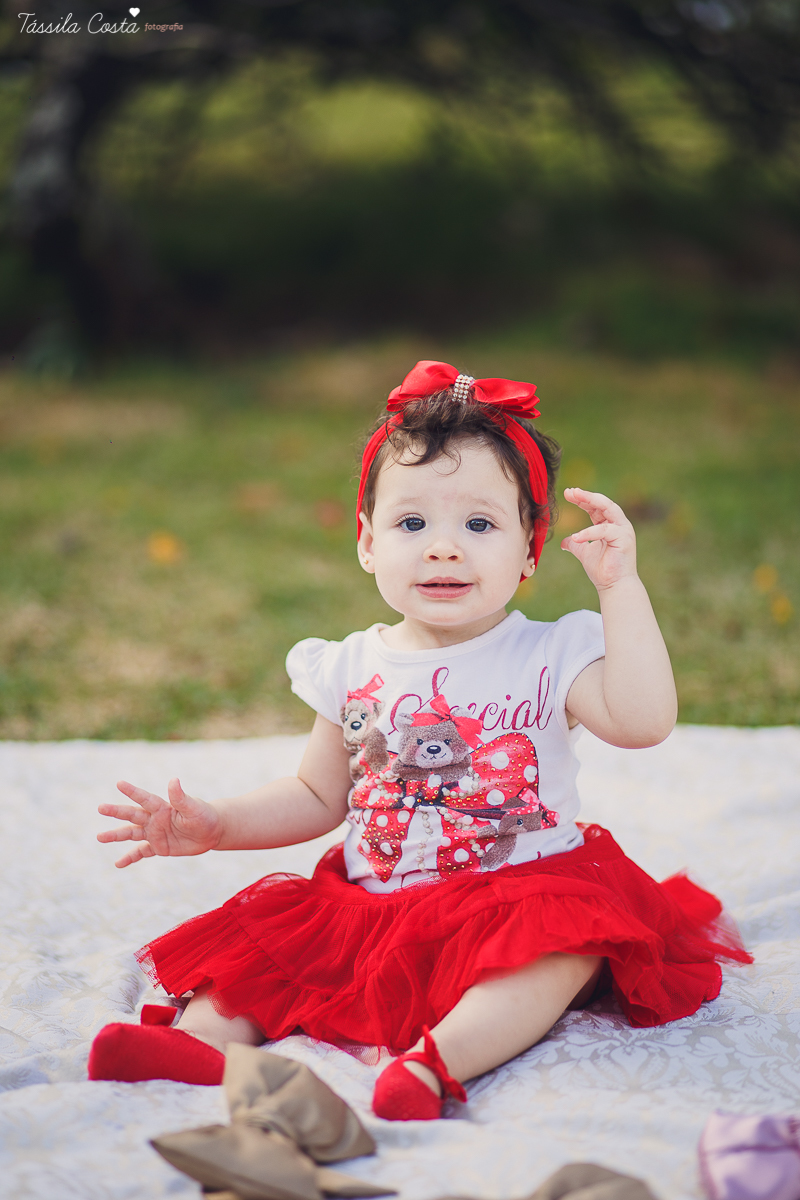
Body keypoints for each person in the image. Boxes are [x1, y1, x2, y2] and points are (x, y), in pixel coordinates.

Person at [88, 360, 750, 1120]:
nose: (444, 548)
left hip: (517, 898)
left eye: (479, 524)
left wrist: (620, 589)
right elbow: (315, 794)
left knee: (564, 948)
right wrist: (221, 824)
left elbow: (642, 723)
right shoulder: (350, 666)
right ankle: (199, 1045)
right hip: (375, 908)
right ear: (367, 542)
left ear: (532, 549)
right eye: (412, 524)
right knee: (279, 952)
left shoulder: (552, 652)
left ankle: (436, 1065)